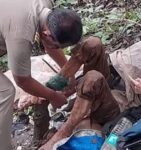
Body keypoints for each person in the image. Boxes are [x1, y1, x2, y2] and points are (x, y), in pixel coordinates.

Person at [0, 0, 82, 149]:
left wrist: (68, 72)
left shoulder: (45, 7)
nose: (58, 48)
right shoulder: (22, 34)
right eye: (58, 46)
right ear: (47, 33)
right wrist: (53, 96)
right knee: (4, 92)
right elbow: (22, 80)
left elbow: (50, 45)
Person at [38, 36, 120, 150]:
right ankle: (53, 86)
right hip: (113, 87)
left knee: (92, 79)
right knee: (92, 44)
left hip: (113, 110)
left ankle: (62, 134)